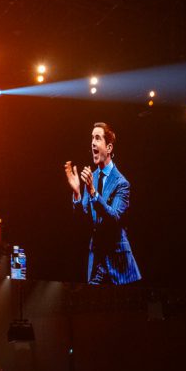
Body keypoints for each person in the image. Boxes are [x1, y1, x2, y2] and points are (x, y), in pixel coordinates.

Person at [64, 121, 141, 285]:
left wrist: (93, 192)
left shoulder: (121, 183)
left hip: (118, 266)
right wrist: (77, 193)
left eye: (98, 138)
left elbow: (114, 218)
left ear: (109, 148)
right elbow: (83, 221)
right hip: (97, 263)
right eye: (92, 138)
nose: (93, 142)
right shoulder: (91, 178)